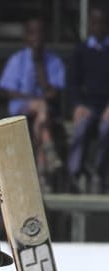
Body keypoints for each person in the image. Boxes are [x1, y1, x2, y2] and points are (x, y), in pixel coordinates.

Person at [0, 17, 66, 191]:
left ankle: (41, 169)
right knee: (41, 109)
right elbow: (9, 90)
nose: (36, 38)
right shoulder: (17, 60)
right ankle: (48, 153)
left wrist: (39, 64)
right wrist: (32, 99)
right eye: (32, 33)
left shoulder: (53, 61)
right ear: (26, 37)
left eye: (40, 33)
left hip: (46, 114)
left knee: (41, 121)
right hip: (20, 107)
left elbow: (53, 92)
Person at [67, 4, 109, 193]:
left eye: (102, 23)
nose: (98, 26)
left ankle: (100, 174)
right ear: (90, 25)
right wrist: (77, 105)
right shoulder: (80, 51)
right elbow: (73, 82)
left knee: (106, 129)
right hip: (88, 104)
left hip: (107, 106)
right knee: (82, 127)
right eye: (94, 23)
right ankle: (74, 174)